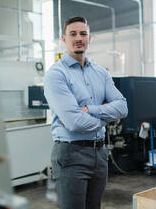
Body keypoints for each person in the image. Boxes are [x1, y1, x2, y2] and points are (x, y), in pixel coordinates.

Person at [44, 16, 128, 209]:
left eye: (83, 33)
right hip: (70, 154)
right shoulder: (56, 75)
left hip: (99, 154)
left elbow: (122, 107)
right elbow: (74, 122)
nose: (78, 38)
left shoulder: (101, 73)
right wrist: (106, 118)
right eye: (73, 34)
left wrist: (90, 110)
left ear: (90, 38)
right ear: (63, 39)